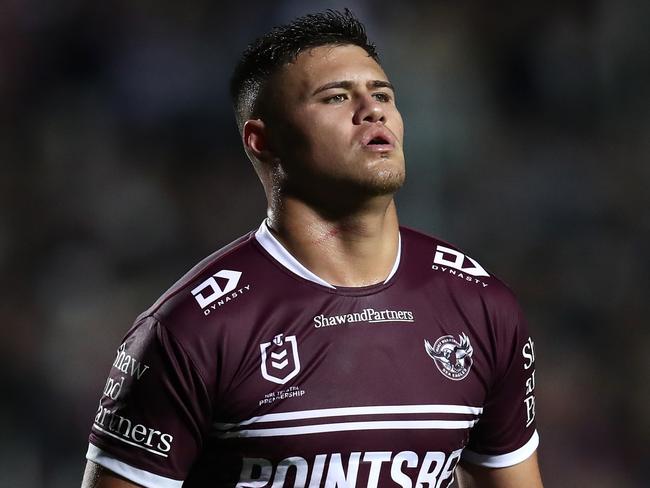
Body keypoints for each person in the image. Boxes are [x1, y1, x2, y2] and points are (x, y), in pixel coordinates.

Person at [81, 9, 543, 488]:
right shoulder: (191, 331)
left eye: (382, 94)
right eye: (337, 97)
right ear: (263, 141)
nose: (372, 110)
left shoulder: (481, 305)